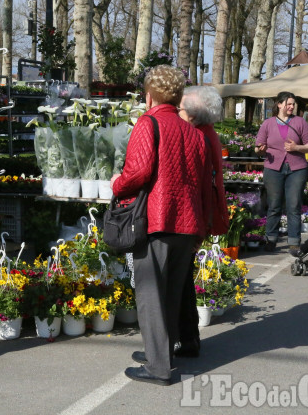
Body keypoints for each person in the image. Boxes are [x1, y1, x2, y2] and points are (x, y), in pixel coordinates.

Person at [111, 65, 210, 386]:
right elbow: (199, 182)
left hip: (157, 220)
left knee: (151, 295)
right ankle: (161, 354)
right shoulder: (194, 133)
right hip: (187, 222)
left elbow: (138, 173)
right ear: (179, 96)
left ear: (149, 94)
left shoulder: (148, 122)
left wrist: (117, 183)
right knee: (170, 294)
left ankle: (158, 366)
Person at [175, 85, 228, 359]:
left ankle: (185, 340)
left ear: (194, 116)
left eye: (181, 108)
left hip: (193, 219)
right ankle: (188, 339)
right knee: (182, 281)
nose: (177, 111)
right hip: (198, 218)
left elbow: (199, 187)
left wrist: (199, 227)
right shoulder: (207, 134)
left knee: (180, 281)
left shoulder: (199, 137)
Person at [255, 91, 308, 256]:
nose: (291, 106)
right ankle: (271, 239)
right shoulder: (267, 124)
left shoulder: (300, 122)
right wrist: (261, 150)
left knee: (293, 205)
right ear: (279, 104)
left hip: (297, 169)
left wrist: (297, 148)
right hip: (273, 168)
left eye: (293, 104)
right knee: (274, 205)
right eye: (288, 103)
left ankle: (294, 242)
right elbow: (257, 147)